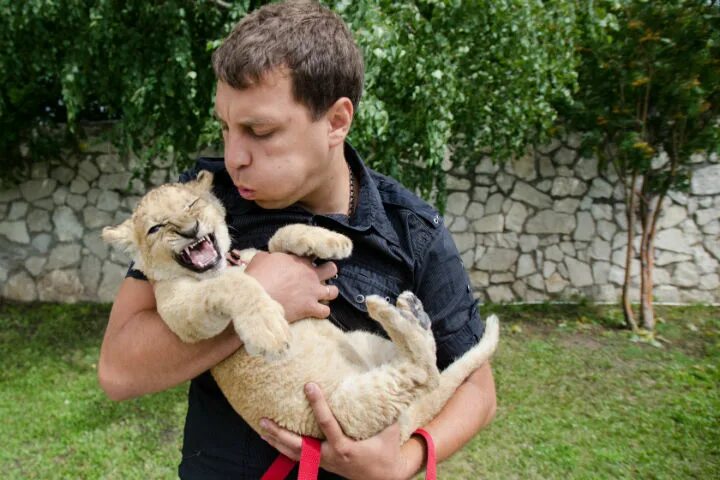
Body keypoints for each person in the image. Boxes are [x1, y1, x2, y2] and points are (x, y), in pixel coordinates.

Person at [98, 1, 496, 478]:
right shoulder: (198, 206)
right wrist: (258, 299)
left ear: (336, 121)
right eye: (225, 127)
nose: (233, 157)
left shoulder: (412, 229)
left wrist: (404, 462)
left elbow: (477, 387)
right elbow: (118, 371)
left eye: (259, 131)